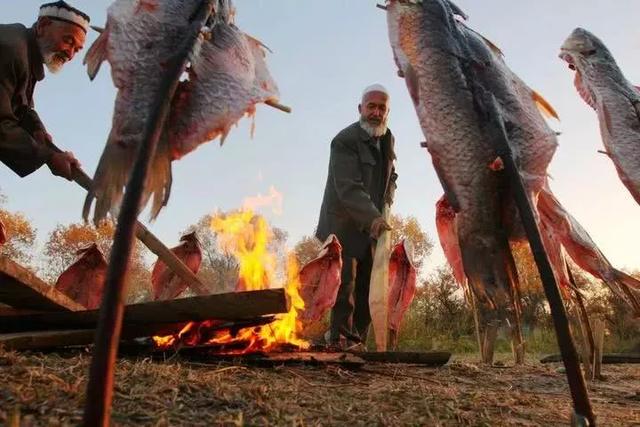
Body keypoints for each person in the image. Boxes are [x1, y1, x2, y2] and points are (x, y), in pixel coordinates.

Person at [316, 84, 398, 347]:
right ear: (360, 109)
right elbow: (348, 188)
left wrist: (389, 198)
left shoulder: (388, 139)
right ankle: (338, 341)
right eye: (371, 106)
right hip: (343, 224)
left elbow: (391, 175)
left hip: (372, 225)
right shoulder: (344, 141)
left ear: (387, 112)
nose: (376, 112)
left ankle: (357, 343)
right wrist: (374, 219)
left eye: (381, 108)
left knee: (369, 287)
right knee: (345, 287)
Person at [0, 1, 89, 180]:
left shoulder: (25, 52)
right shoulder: (10, 50)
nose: (70, 55)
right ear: (42, 26)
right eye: (68, 40)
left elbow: (22, 107)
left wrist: (41, 135)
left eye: (77, 50)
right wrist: (48, 157)